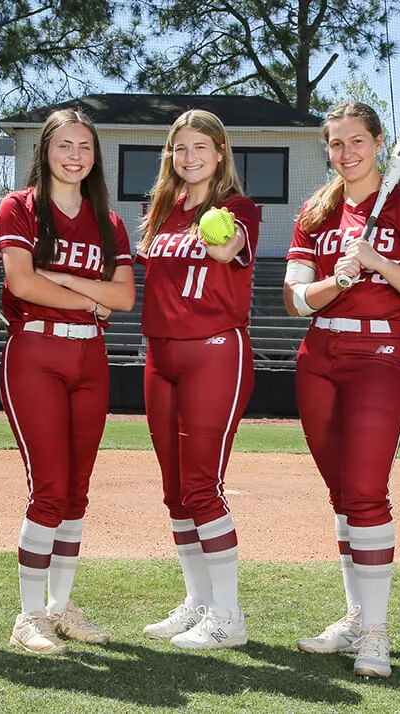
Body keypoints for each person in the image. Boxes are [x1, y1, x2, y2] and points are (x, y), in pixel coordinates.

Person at [283, 101, 400, 678]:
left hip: (380, 353)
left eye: (357, 141)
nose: (346, 153)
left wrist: (379, 261)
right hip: (319, 355)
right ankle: (356, 616)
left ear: (379, 143)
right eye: (336, 144)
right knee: (341, 495)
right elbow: (295, 300)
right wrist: (338, 279)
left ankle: (376, 632)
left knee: (365, 489)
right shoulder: (316, 209)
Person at [0, 109, 135, 655]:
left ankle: (60, 606)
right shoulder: (19, 207)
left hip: (89, 358)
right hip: (36, 353)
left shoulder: (108, 221)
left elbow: (123, 299)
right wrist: (93, 297)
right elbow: (23, 285)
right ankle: (28, 616)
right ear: (45, 151)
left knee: (76, 491)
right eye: (64, 145)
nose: (75, 156)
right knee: (49, 488)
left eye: (85, 147)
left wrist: (67, 281)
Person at [137, 109, 260, 649]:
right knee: (174, 492)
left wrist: (218, 237)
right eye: (180, 148)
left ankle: (229, 617)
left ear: (219, 154)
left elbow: (227, 249)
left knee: (201, 486)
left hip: (214, 352)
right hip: (159, 357)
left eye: (200, 148)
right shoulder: (161, 210)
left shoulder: (238, 209)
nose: (189, 157)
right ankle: (199, 602)